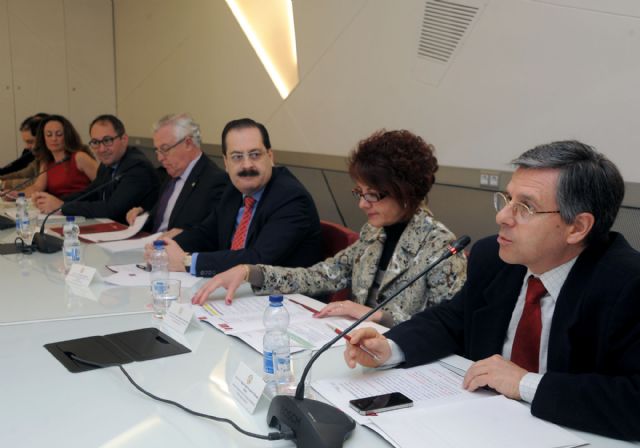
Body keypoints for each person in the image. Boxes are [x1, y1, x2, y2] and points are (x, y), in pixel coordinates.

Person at [343, 140, 640, 440]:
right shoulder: (494, 258)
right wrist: (390, 347)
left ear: (577, 228)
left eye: (525, 207)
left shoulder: (627, 284)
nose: (502, 217)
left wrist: (523, 382)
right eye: (507, 199)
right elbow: (454, 319)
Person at [193, 130, 467, 327]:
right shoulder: (375, 233)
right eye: (359, 192)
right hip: (357, 347)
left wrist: (380, 317)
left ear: (406, 193)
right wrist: (250, 272)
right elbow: (321, 276)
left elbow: (450, 325)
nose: (362, 203)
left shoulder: (440, 246)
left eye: (373, 195)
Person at [149, 118, 323, 277]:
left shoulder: (290, 197)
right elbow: (206, 233)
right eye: (237, 157)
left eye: (255, 154)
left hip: (286, 301)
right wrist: (163, 249)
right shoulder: (234, 189)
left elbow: (257, 259)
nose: (247, 165)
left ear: (270, 157)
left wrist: (187, 261)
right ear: (226, 163)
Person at [32, 114, 160, 224]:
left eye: (108, 140)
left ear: (124, 139)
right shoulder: (107, 164)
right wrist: (53, 201)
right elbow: (91, 193)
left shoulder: (136, 167)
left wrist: (62, 206)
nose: (102, 149)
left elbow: (112, 209)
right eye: (95, 142)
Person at [125, 113, 228, 234]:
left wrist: (184, 234)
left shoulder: (215, 181)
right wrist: (143, 216)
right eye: (157, 151)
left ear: (188, 143)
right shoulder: (171, 174)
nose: (159, 158)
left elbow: (210, 234)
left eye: (165, 149)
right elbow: (164, 218)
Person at [19, 115, 98, 198]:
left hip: (79, 207)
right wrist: (16, 195)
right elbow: (37, 187)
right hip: (55, 208)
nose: (54, 139)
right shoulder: (47, 162)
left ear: (68, 136)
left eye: (59, 134)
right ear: (43, 138)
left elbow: (104, 182)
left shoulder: (80, 157)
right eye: (49, 135)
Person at [0, 113, 48, 185]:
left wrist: (2, 184)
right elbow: (22, 174)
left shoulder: (53, 158)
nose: (27, 147)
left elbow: (37, 182)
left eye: (30, 142)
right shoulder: (39, 159)